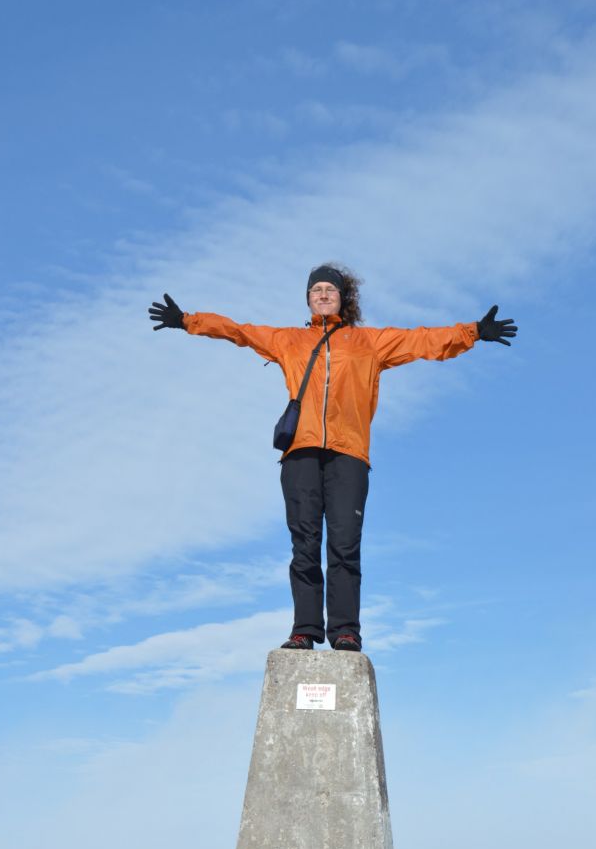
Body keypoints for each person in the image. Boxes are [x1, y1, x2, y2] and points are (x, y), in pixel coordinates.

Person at [148, 263, 517, 653]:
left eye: (330, 289)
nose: (323, 295)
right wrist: (188, 321)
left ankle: (345, 631)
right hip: (301, 453)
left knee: (344, 545)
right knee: (304, 544)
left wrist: (473, 332)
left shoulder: (369, 342)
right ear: (308, 298)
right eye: (316, 290)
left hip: (349, 455)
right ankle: (304, 630)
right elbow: (238, 331)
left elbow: (422, 341)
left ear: (343, 297)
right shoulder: (288, 340)